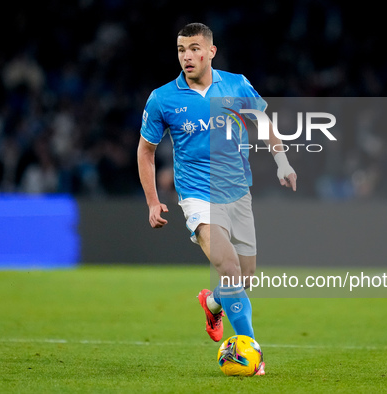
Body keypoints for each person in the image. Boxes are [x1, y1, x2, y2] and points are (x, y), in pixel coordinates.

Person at [137, 23, 297, 376]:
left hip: (238, 194)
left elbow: (264, 123)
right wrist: (152, 201)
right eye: (181, 49)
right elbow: (146, 151)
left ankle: (211, 303)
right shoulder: (163, 98)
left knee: (245, 278)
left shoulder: (237, 84)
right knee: (229, 268)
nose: (186, 56)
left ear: (211, 51)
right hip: (197, 196)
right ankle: (253, 355)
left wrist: (282, 161)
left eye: (194, 48)